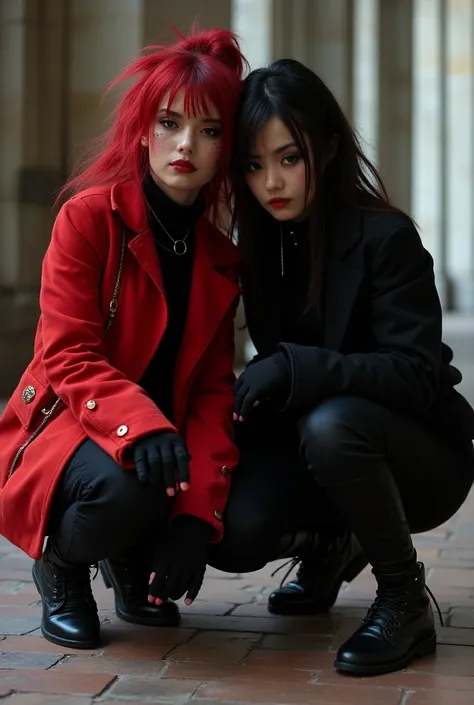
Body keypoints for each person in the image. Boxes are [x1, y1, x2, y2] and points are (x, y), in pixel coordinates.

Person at [210, 58, 474, 675]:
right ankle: (331, 543)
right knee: (235, 533)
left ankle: (403, 598)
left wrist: (298, 368)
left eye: (289, 158)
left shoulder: (386, 238)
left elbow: (415, 374)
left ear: (326, 150)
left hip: (420, 456)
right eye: (253, 164)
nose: (272, 181)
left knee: (334, 424)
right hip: (316, 443)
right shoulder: (261, 247)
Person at [0, 28, 246, 649]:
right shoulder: (88, 218)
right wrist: (143, 427)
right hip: (72, 425)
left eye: (209, 131)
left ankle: (132, 556)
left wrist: (198, 516)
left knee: (218, 502)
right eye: (169, 123)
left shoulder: (220, 257)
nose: (186, 144)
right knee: (131, 486)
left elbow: (216, 387)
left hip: (162, 440)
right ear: (142, 129)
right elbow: (66, 354)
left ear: (227, 149)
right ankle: (63, 567)